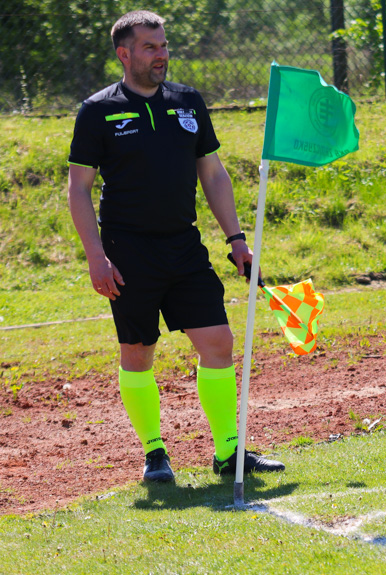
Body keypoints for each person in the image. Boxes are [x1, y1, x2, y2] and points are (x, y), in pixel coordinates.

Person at [67, 10, 284, 483]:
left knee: (219, 342)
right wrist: (96, 256)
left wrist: (237, 239)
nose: (162, 54)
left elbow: (212, 173)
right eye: (150, 47)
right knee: (138, 351)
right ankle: (154, 452)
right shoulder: (97, 110)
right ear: (124, 54)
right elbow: (78, 189)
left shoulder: (188, 101)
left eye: (164, 45)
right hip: (127, 252)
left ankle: (229, 451)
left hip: (184, 246)